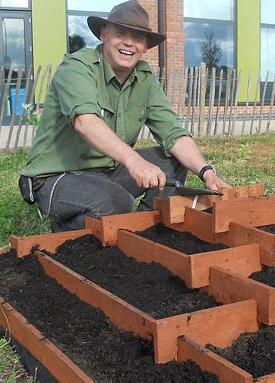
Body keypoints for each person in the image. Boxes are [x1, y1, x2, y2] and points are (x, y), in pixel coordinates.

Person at [19, 0, 230, 232]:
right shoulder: (77, 68)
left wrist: (207, 173)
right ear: (104, 35)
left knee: (175, 160)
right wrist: (135, 162)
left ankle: (144, 231)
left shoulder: (145, 79)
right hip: (56, 178)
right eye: (120, 34)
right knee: (117, 203)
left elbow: (173, 133)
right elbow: (85, 121)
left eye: (138, 38)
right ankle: (64, 228)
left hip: (105, 174)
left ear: (145, 47)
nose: (129, 43)